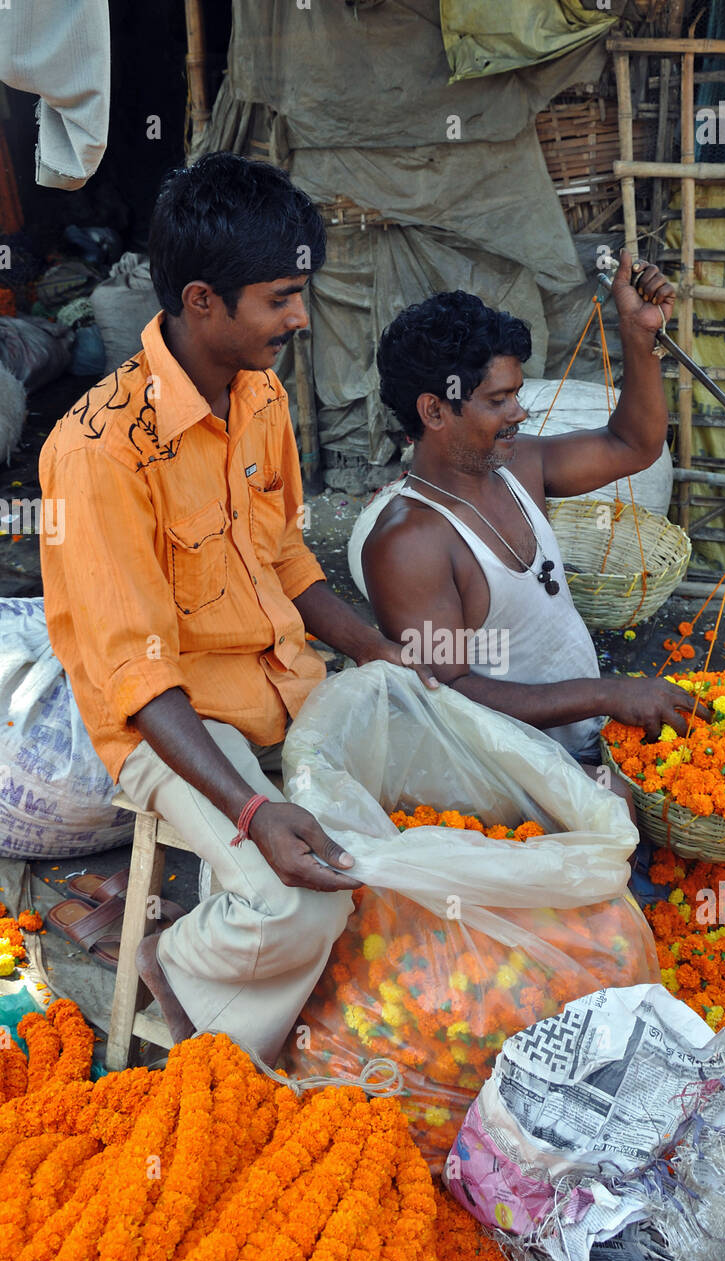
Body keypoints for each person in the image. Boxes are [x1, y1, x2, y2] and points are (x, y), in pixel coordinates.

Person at [39, 153, 432, 1062]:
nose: (300, 317)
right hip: (170, 727)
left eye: (302, 292)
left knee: (419, 828)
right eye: (281, 297)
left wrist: (378, 651)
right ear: (202, 301)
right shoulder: (98, 452)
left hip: (284, 686)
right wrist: (252, 815)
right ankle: (179, 979)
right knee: (297, 900)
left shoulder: (258, 395)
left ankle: (243, 972)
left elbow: (287, 555)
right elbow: (138, 679)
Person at [364, 254, 703, 768]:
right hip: (512, 776)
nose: (520, 413)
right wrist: (606, 694)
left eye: (517, 395)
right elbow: (446, 692)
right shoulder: (409, 542)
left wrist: (639, 334)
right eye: (499, 400)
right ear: (434, 410)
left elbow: (633, 444)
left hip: (590, 743)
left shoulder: (519, 466)